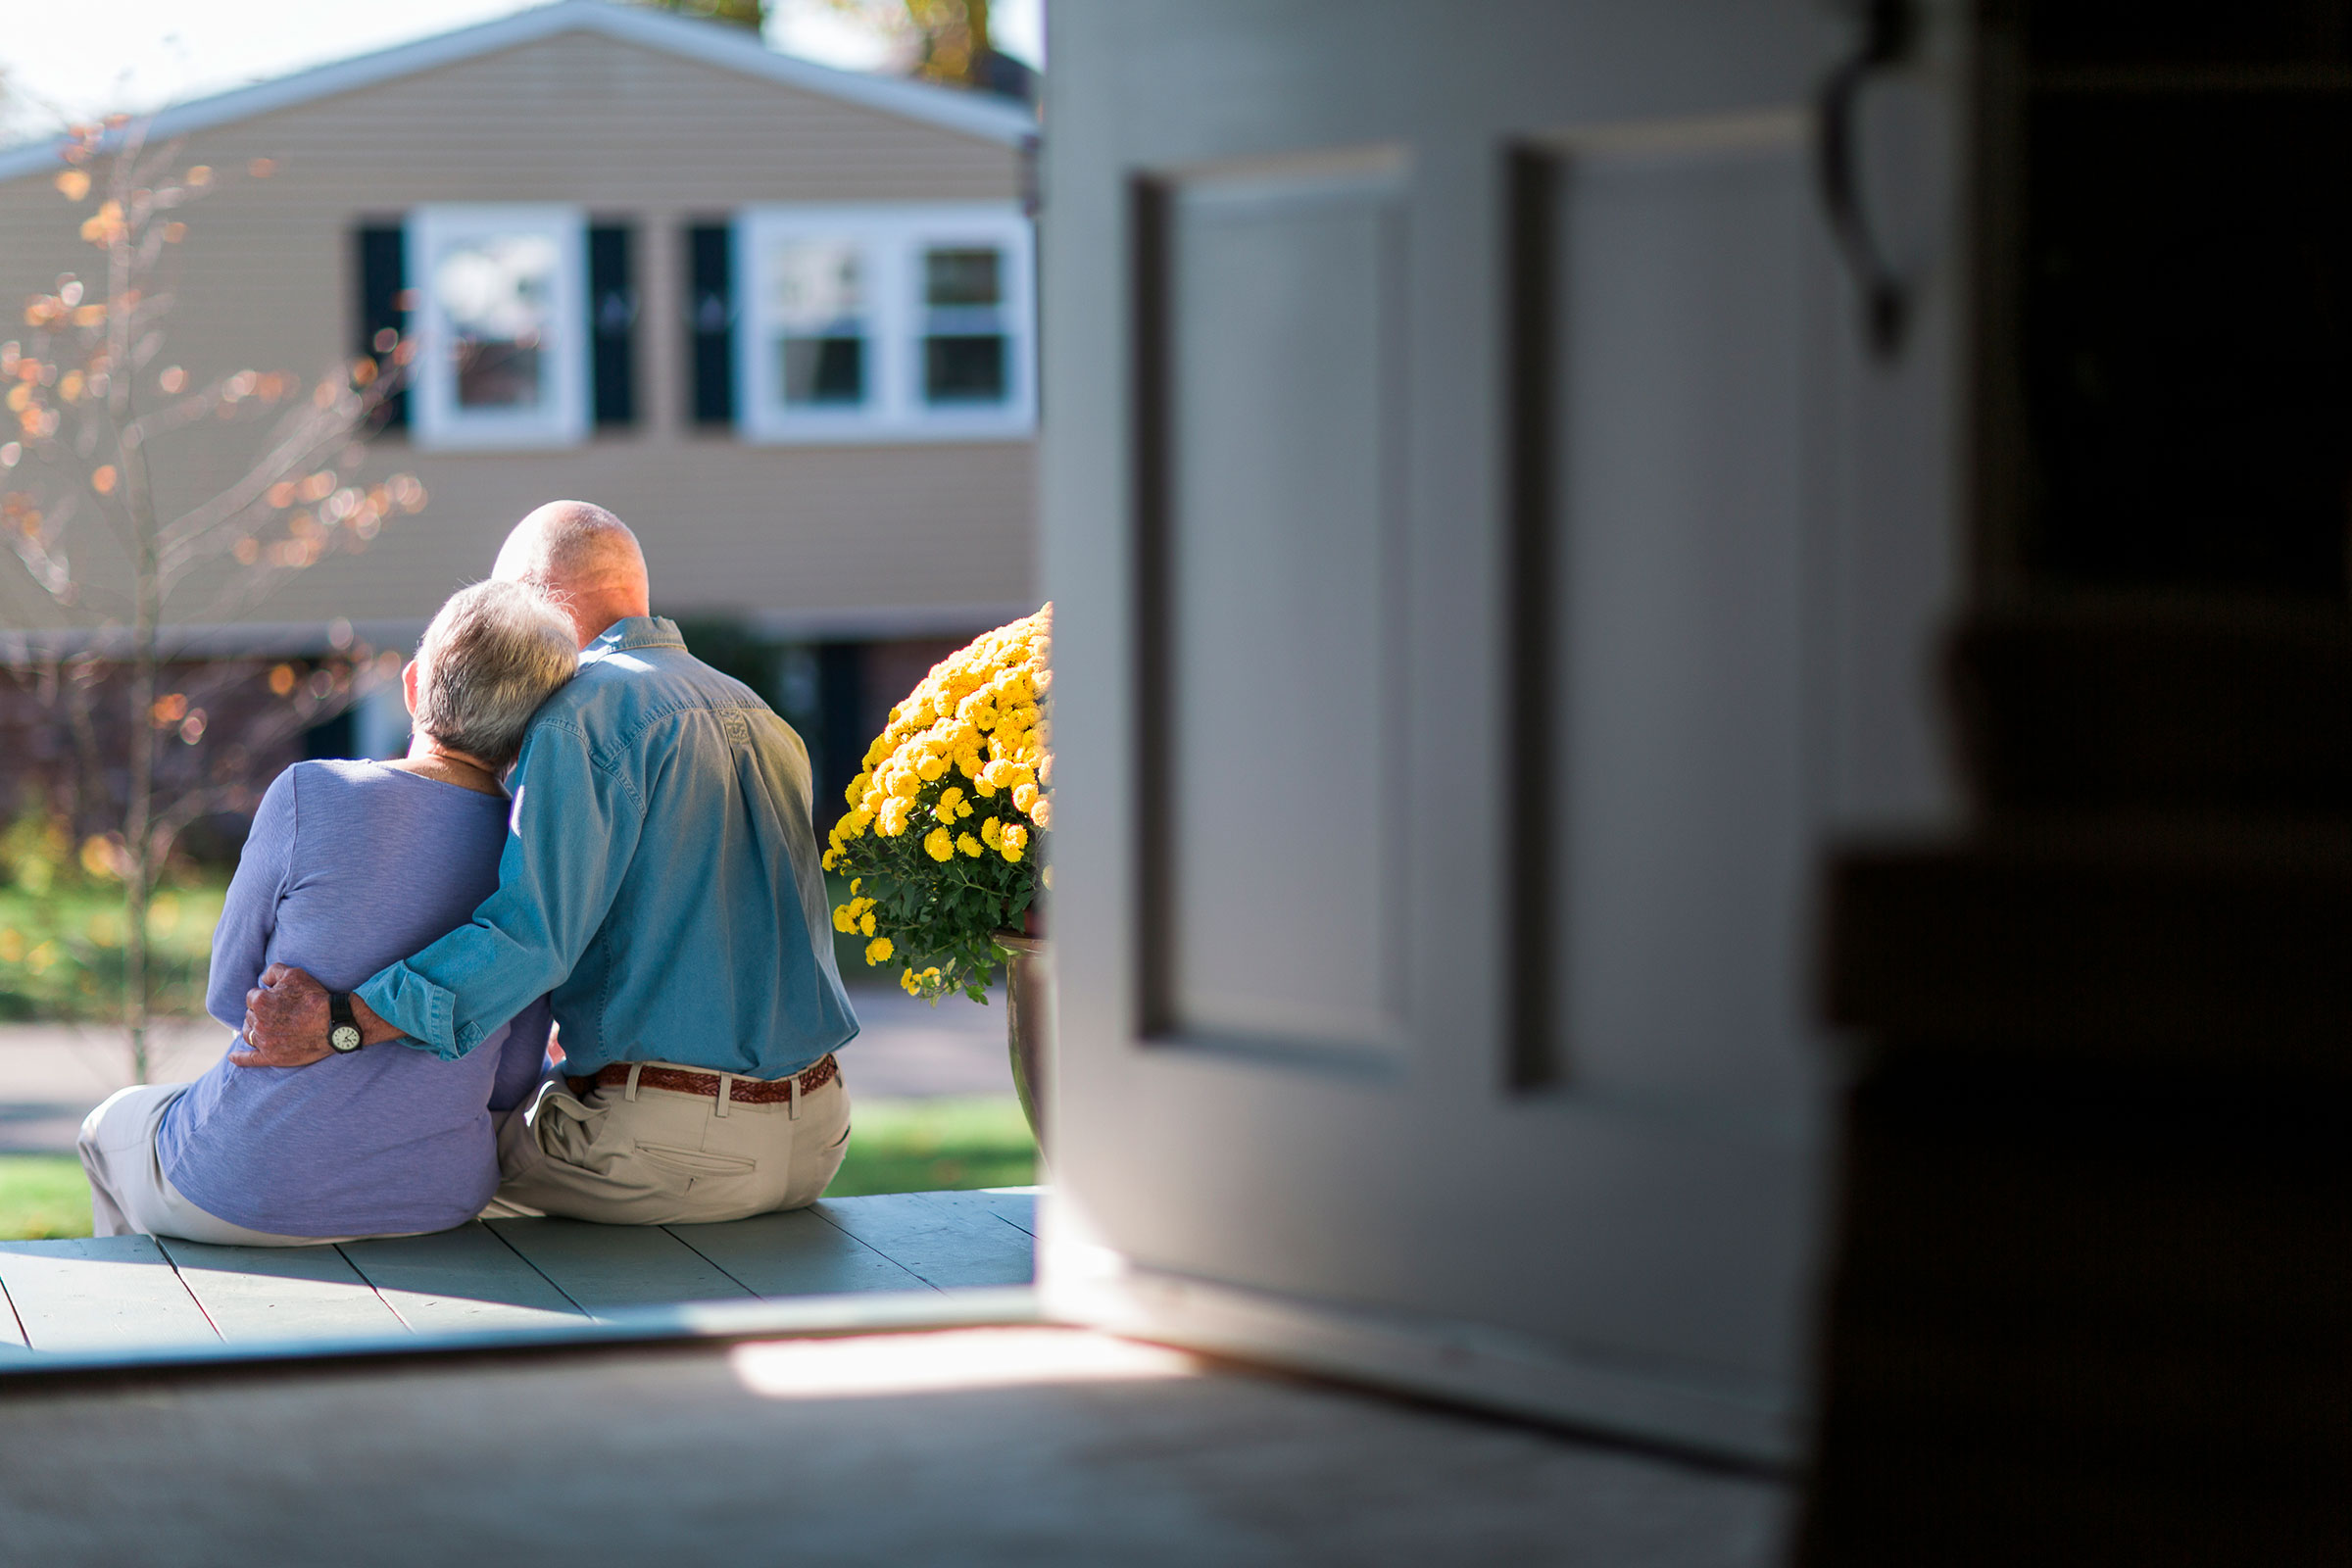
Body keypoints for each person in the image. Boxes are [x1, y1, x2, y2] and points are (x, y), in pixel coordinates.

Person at [236, 501, 859, 1225]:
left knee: (417, 1161)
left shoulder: (580, 714)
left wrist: (344, 1020)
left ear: (534, 600)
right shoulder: (759, 713)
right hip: (820, 1136)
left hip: (674, 1155)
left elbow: (530, 939)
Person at [78, 579, 576, 1243]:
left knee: (108, 1128)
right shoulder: (536, 860)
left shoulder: (310, 793)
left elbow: (232, 995)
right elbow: (512, 1080)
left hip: (247, 1184)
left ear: (412, 685)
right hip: (435, 1199)